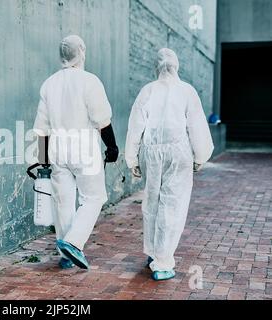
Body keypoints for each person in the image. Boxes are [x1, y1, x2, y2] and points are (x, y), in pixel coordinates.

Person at [125, 48, 214, 281]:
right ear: (177, 65)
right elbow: (196, 125)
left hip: (151, 152)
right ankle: (162, 261)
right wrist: (200, 157)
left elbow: (135, 126)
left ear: (156, 66)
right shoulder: (187, 91)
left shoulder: (147, 91)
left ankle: (154, 252)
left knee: (152, 202)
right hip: (178, 152)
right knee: (172, 205)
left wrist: (132, 158)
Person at [33, 35, 119, 270]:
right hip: (84, 149)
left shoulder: (49, 84)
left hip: (58, 149)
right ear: (81, 52)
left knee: (63, 201)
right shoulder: (90, 81)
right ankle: (73, 242)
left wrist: (43, 161)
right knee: (94, 197)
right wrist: (112, 147)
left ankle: (64, 254)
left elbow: (41, 127)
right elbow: (102, 120)